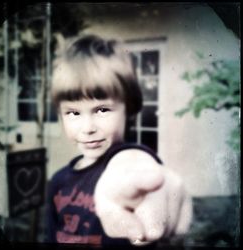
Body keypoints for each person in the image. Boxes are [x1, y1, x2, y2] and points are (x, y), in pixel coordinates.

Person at [46, 34, 192, 247]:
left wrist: (145, 176)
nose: (87, 128)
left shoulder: (130, 160)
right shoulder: (57, 181)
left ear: (129, 108)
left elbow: (132, 163)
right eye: (73, 113)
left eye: (102, 109)